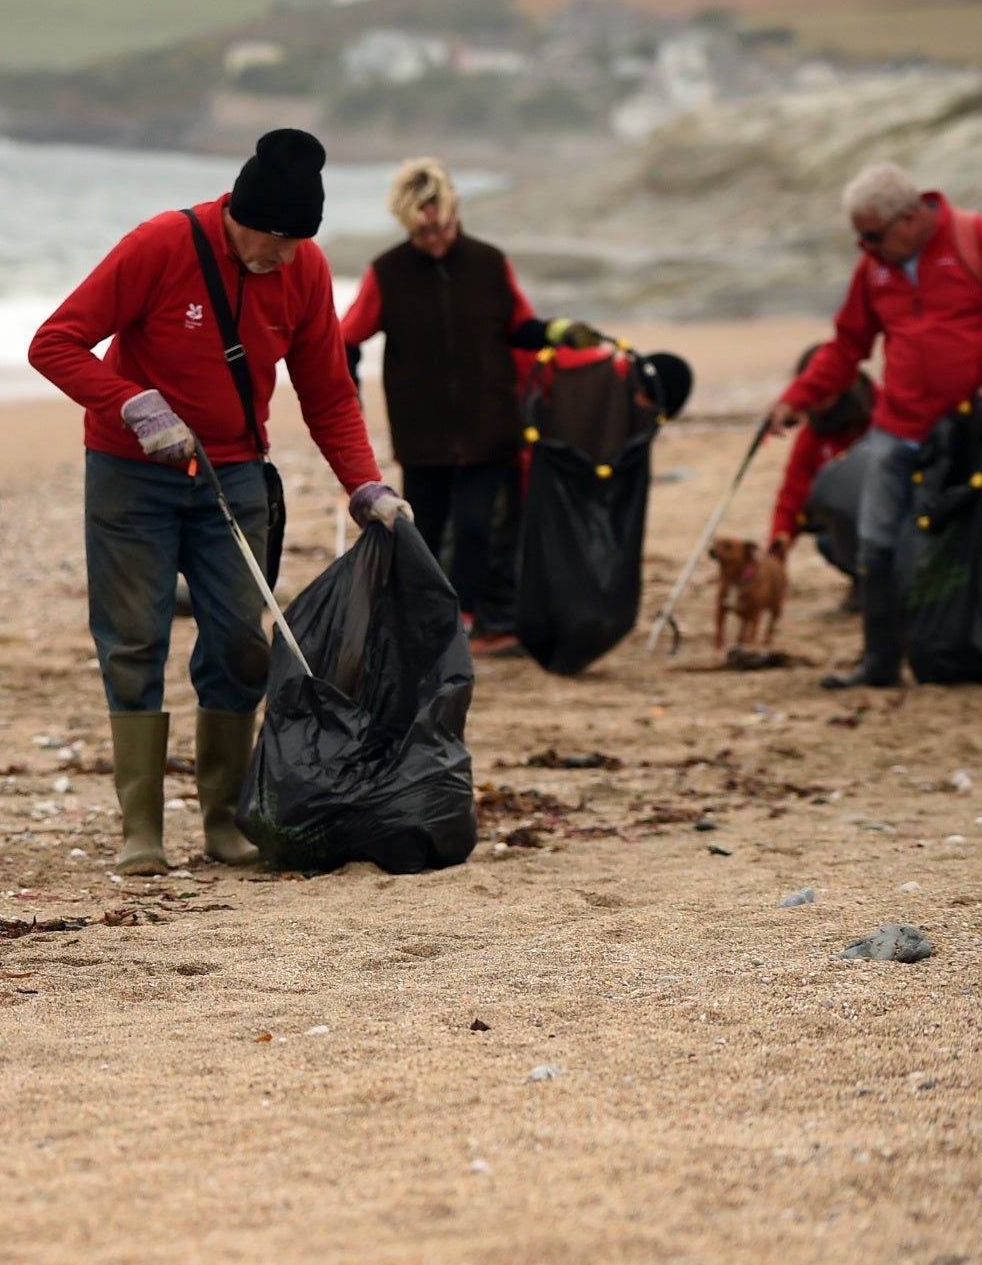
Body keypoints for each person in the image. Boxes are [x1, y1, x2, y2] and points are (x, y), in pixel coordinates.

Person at [30, 129, 406, 876]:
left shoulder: (303, 269)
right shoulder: (161, 245)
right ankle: (142, 830)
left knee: (239, 645)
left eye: (301, 241)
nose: (288, 256)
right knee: (133, 639)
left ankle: (225, 823)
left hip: (233, 478)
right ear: (242, 211)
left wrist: (364, 485)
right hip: (128, 473)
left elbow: (328, 392)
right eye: (277, 239)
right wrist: (133, 402)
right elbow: (56, 343)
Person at [768, 163, 982, 690]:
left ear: (911, 217)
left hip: (967, 427)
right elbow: (848, 347)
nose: (864, 247)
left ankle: (972, 649)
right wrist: (794, 400)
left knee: (961, 541)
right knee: (877, 539)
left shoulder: (980, 240)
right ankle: (879, 664)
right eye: (858, 237)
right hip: (897, 424)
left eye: (872, 235)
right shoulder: (872, 269)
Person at [337, 158, 601, 657]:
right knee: (426, 529)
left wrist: (558, 331)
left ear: (454, 212)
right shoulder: (388, 272)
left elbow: (520, 326)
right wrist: (345, 386)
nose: (434, 239)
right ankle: (420, 619)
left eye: (441, 227)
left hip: (488, 421)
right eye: (422, 232)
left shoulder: (488, 262)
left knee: (480, 525)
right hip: (423, 427)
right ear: (408, 223)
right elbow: (347, 336)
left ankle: (467, 618)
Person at [767, 343, 877, 608]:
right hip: (850, 525)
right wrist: (775, 553)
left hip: (888, 512)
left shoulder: (880, 411)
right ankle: (861, 580)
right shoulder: (813, 434)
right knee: (828, 538)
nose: (814, 399)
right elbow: (792, 493)